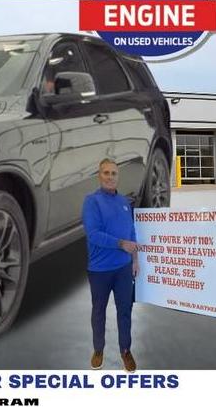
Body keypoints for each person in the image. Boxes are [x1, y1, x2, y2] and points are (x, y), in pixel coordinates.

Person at [82, 158, 139, 372]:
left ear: (118, 176)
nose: (110, 177)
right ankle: (98, 350)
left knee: (125, 310)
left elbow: (131, 232)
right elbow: (93, 234)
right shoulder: (92, 201)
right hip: (100, 271)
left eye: (114, 173)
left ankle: (126, 350)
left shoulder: (124, 202)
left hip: (123, 269)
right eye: (106, 173)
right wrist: (120, 244)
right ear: (99, 175)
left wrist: (135, 259)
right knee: (99, 311)